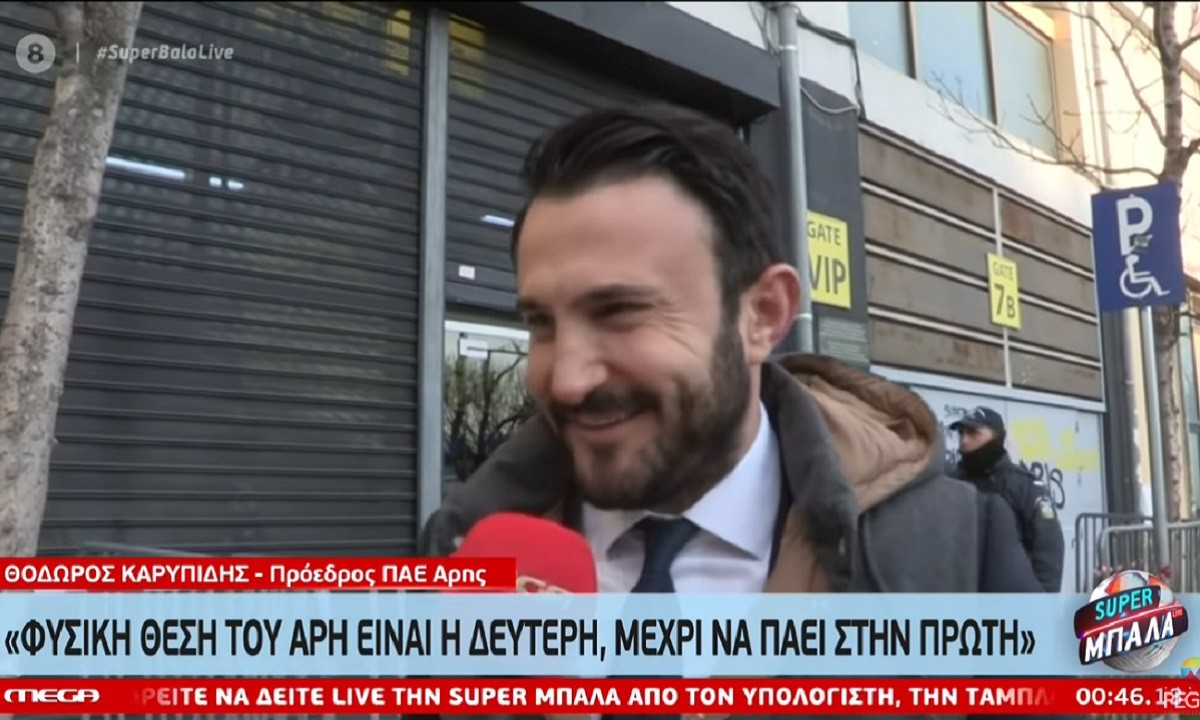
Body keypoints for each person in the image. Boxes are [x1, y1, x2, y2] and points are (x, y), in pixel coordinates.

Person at [418, 102, 1043, 596]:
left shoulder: (956, 556)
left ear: (762, 316)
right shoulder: (464, 557)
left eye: (619, 312)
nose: (567, 381)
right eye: (542, 324)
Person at [950, 407, 1065, 592]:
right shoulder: (951, 482)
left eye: (973, 433)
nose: (964, 440)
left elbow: (1047, 545)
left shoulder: (1022, 486)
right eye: (961, 433)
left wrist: (1044, 599)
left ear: (996, 437)